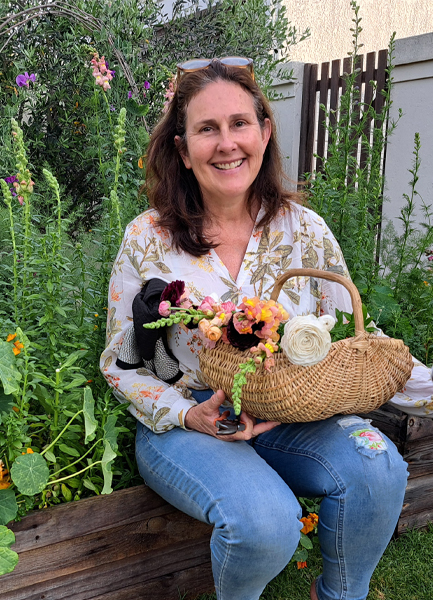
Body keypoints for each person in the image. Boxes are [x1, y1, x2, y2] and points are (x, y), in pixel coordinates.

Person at [100, 58, 416, 600]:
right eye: (207, 129)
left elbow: (358, 345)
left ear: (265, 132)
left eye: (240, 123)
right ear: (182, 149)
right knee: (267, 523)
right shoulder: (149, 238)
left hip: (288, 414)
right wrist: (188, 414)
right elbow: (118, 361)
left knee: (377, 465)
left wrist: (423, 389)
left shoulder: (305, 231)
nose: (227, 144)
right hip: (188, 422)